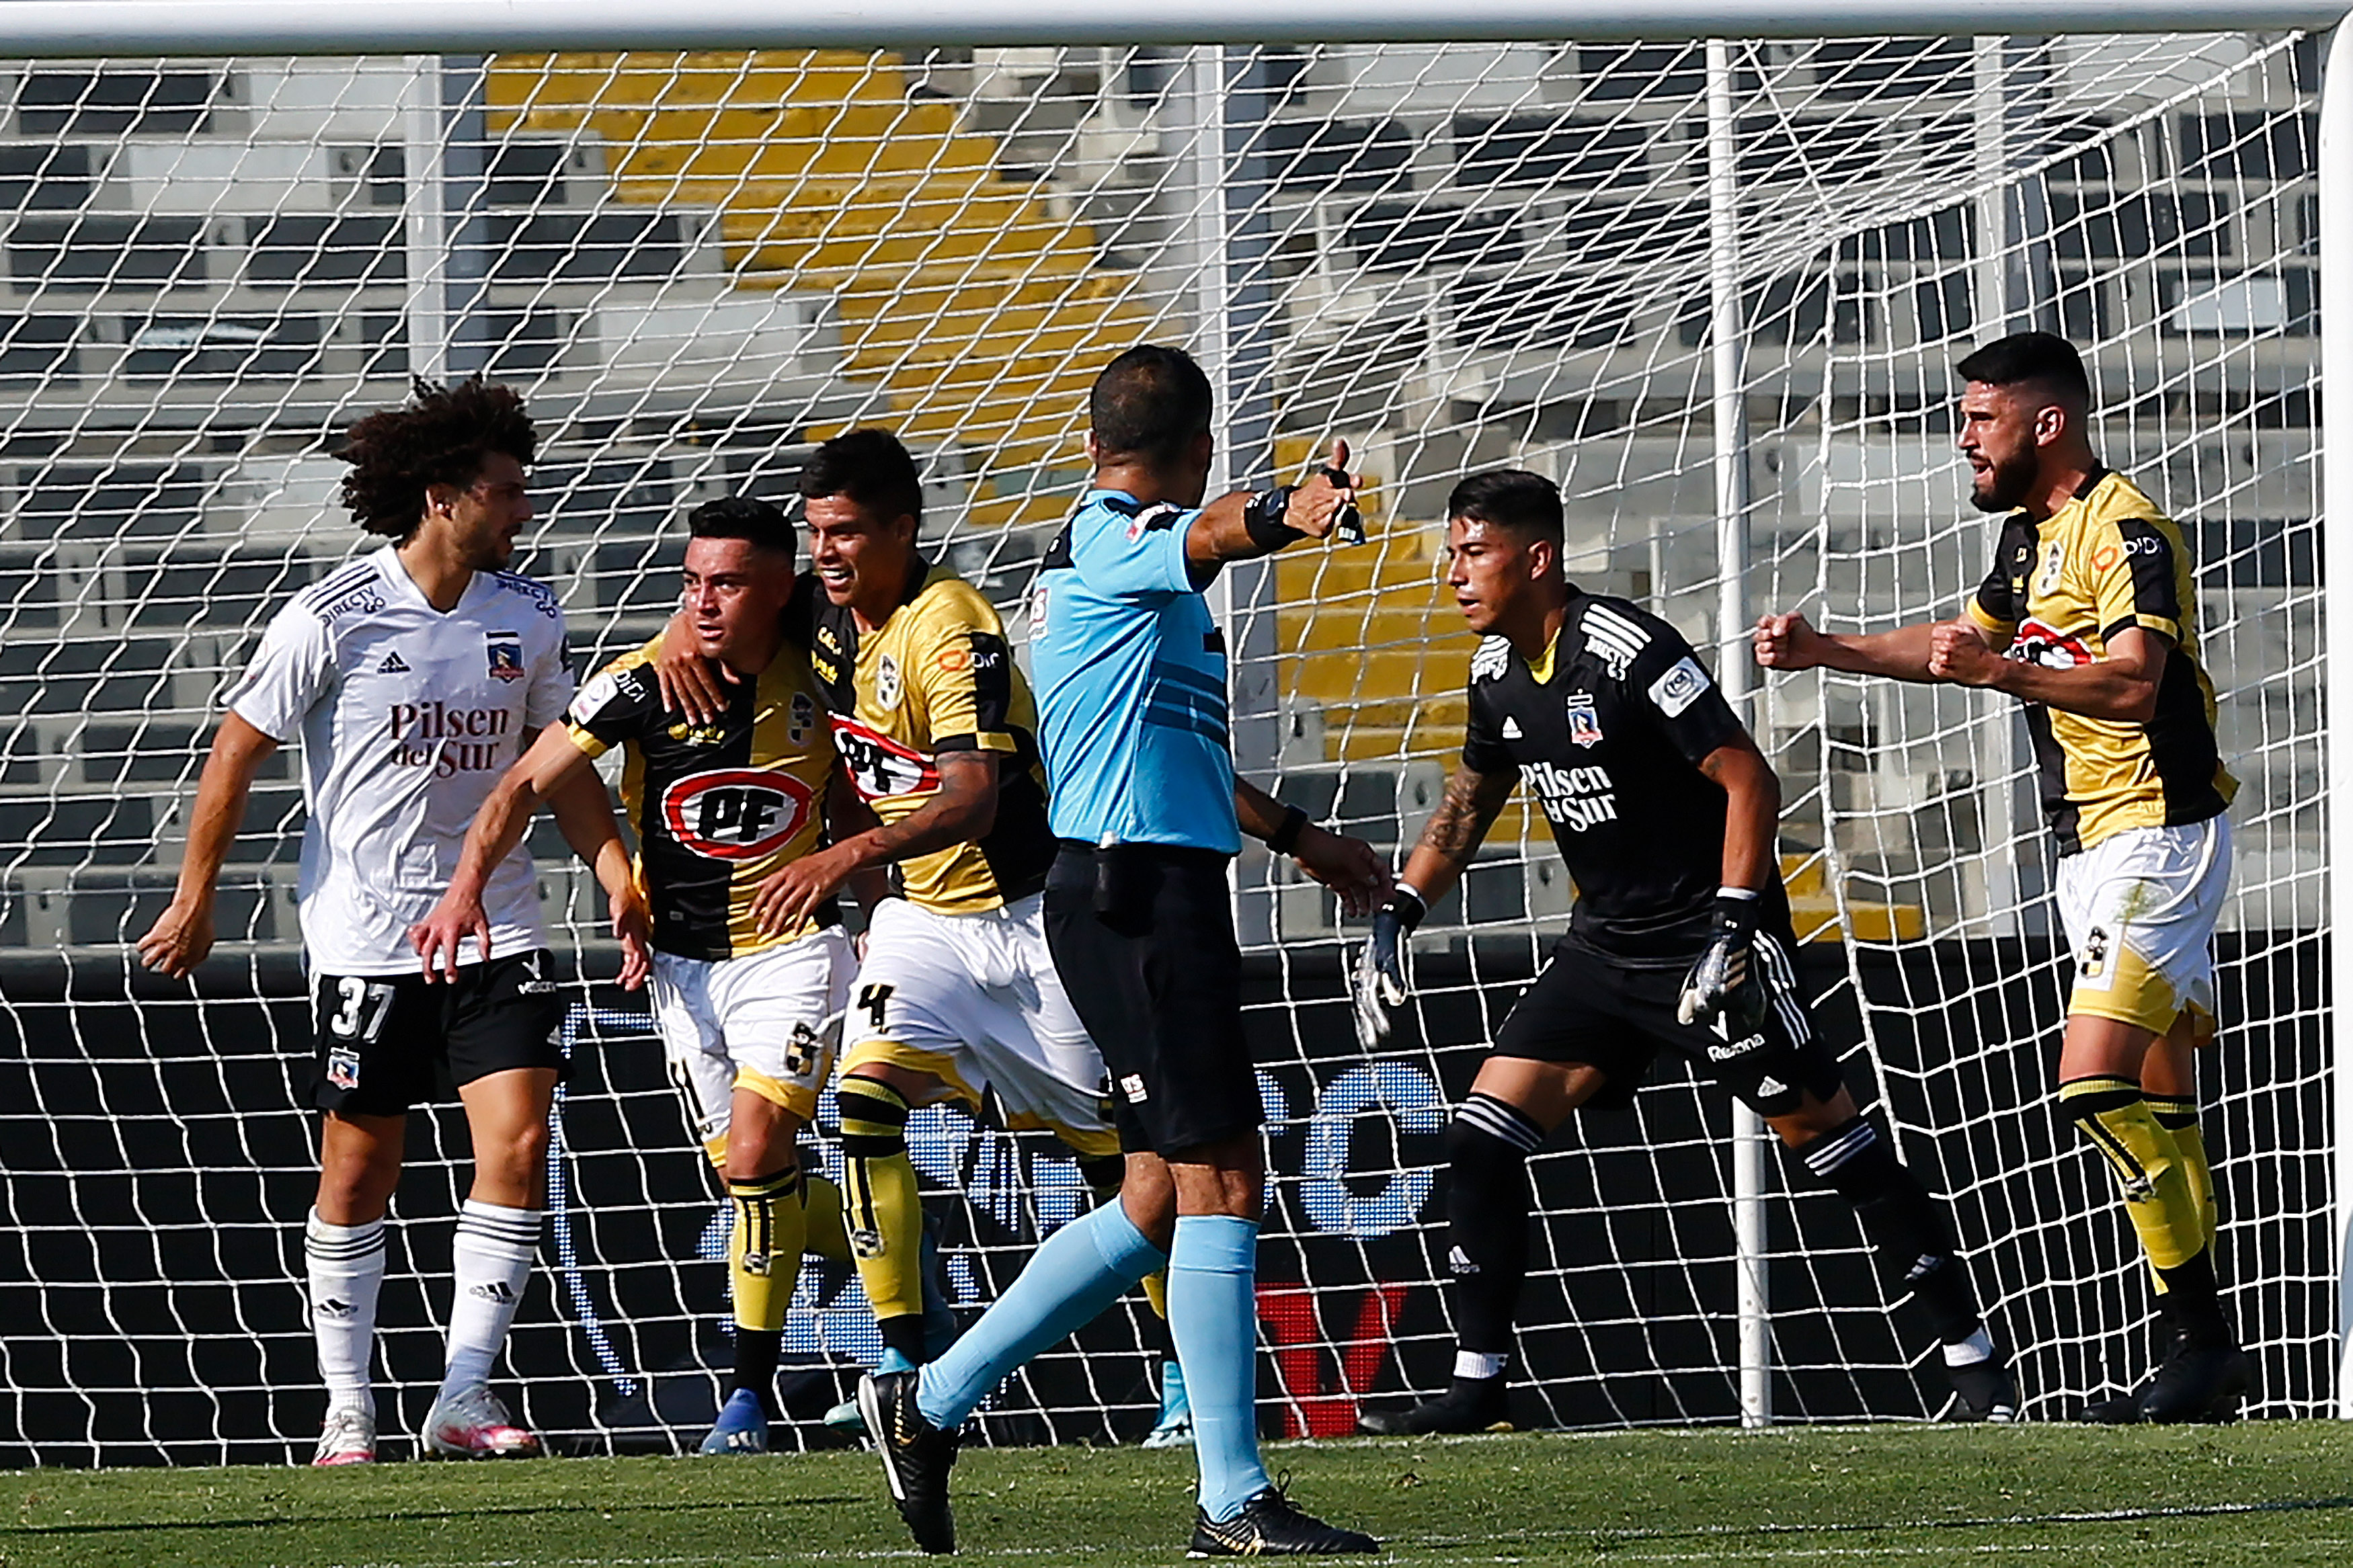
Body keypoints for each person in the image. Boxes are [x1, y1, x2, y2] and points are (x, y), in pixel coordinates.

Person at [853, 345, 1388, 1557]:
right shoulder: (1107, 538)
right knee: (1225, 1180)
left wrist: (1300, 834)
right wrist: (1287, 513)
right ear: (1197, 448)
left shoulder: (1124, 567)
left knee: (1155, 1198)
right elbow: (1210, 537)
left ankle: (928, 1401)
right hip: (1136, 896)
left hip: (1151, 884)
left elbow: (1172, 741)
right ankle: (1231, 1497)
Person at [1352, 468, 2016, 1437]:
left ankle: (1977, 1368)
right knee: (1480, 1137)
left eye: (1474, 552)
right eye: (1451, 552)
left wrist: (1734, 927)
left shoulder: (1628, 651)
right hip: (1604, 947)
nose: (1455, 572)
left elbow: (1748, 779)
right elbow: (1470, 799)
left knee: (1830, 1144)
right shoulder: (1494, 671)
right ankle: (1477, 1388)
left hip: (1712, 943)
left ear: (1536, 558)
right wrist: (1400, 909)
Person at [134, 378, 637, 1465]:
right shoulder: (333, 616)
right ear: (445, 496)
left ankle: (463, 1391)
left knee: (522, 1139)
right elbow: (236, 748)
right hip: (369, 936)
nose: (524, 512)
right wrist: (196, 894)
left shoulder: (531, 616)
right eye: (507, 493)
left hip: (500, 925)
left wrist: (614, 870)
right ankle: (348, 1403)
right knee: (361, 1171)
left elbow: (560, 767)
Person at [1753, 331, 2243, 1423]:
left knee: (2093, 1084)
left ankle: (2201, 1338)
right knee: (2161, 1091)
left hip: (2158, 832)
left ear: (2046, 421)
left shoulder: (2127, 528)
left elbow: (2136, 687)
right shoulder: (2031, 543)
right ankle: (2205, 1351)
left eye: (1981, 418)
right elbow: (1953, 642)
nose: (1963, 438)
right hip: (2092, 848)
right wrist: (1828, 649)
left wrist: (2006, 670)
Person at [652, 429, 1127, 1421]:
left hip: (1032, 915)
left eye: (849, 532)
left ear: (903, 528)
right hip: (923, 920)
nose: (829, 552)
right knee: (864, 1108)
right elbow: (725, 613)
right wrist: (670, 636)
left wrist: (843, 859)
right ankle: (909, 1371)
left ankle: (1175, 1381)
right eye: (819, 531)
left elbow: (971, 799)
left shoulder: (951, 626)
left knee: (1115, 1160)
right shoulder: (830, 628)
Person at [412, 495, 872, 1456]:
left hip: (793, 951)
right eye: (690, 584)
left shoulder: (832, 659)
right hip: (679, 965)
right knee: (752, 1170)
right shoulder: (640, 684)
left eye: (728, 584)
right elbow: (517, 785)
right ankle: (901, 1278)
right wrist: (463, 894)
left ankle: (746, 1398)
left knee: (753, 1156)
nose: (702, 604)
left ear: (780, 589)